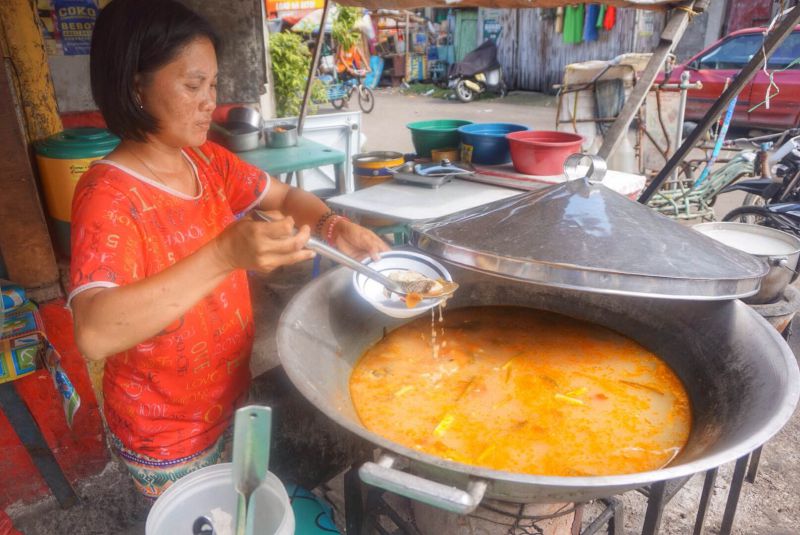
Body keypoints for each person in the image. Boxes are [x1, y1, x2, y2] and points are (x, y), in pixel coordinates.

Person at [69, 0, 388, 498]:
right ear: (136, 86)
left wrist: (332, 224)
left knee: (235, 508)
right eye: (192, 85)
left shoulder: (207, 162)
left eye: (212, 85)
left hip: (230, 398)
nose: (208, 102)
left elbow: (282, 196)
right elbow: (93, 331)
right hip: (166, 433)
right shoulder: (107, 195)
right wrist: (223, 255)